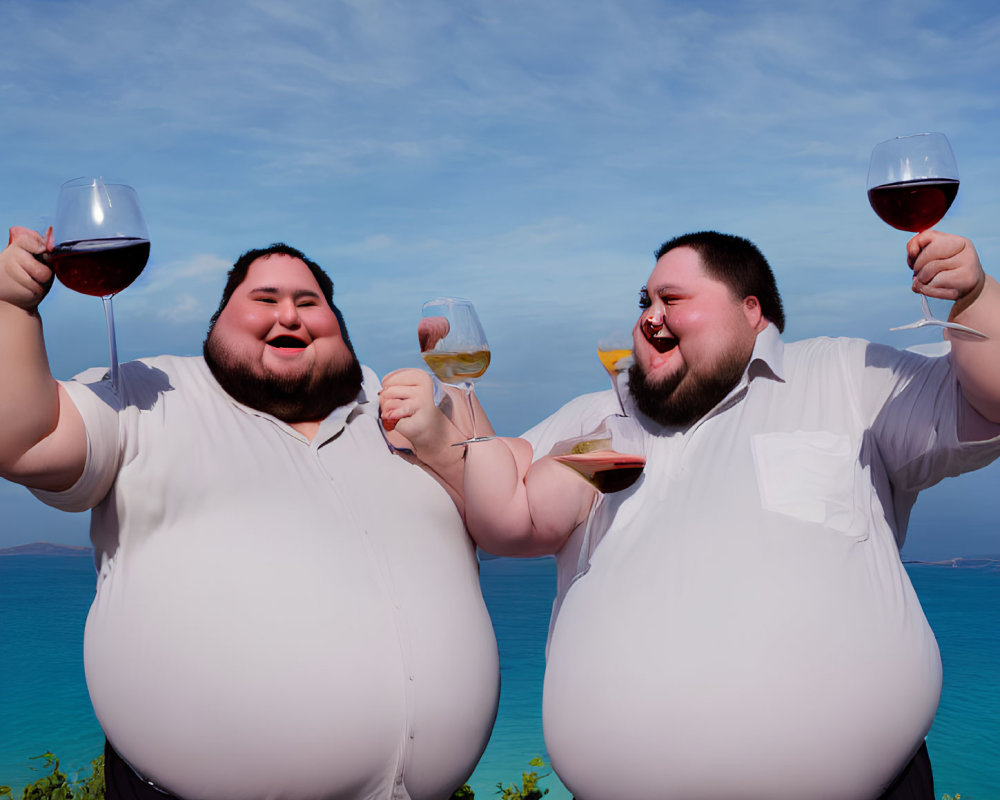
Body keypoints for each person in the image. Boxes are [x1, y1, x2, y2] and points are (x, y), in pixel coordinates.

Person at [392, 229, 1000, 799]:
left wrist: (973, 297)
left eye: (671, 297)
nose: (649, 315)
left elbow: (986, 403)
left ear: (751, 311)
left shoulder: (842, 373)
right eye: (643, 300)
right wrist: (456, 387)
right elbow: (502, 491)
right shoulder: (598, 415)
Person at [0, 228, 499, 800]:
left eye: (310, 303)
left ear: (341, 327)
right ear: (217, 325)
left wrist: (456, 396)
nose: (289, 314)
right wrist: (13, 305)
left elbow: (502, 513)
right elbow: (28, 442)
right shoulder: (147, 393)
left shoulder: (403, 410)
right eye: (264, 300)